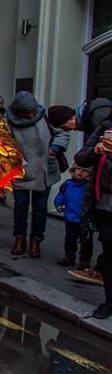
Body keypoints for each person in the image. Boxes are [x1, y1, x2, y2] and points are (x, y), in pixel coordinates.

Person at [5, 91, 69, 258]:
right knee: (20, 206)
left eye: (33, 111)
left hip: (44, 170)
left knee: (40, 209)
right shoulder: (8, 122)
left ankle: (36, 241)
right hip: (22, 170)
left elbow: (62, 132)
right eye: (27, 112)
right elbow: (4, 144)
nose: (31, 114)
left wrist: (54, 149)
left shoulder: (45, 116)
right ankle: (19, 238)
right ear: (18, 111)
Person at [72, 122, 112, 318]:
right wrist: (96, 151)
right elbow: (80, 157)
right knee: (109, 254)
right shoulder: (106, 127)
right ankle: (109, 302)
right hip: (106, 205)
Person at [54, 165, 94, 269]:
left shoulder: (89, 186)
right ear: (73, 170)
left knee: (86, 241)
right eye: (79, 169)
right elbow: (61, 195)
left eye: (85, 170)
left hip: (85, 218)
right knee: (70, 239)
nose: (80, 172)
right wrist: (58, 204)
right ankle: (69, 256)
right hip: (71, 217)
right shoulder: (68, 184)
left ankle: (84, 261)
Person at [48, 97, 112, 138]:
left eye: (64, 127)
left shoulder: (95, 120)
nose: (67, 130)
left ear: (69, 119)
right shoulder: (94, 110)